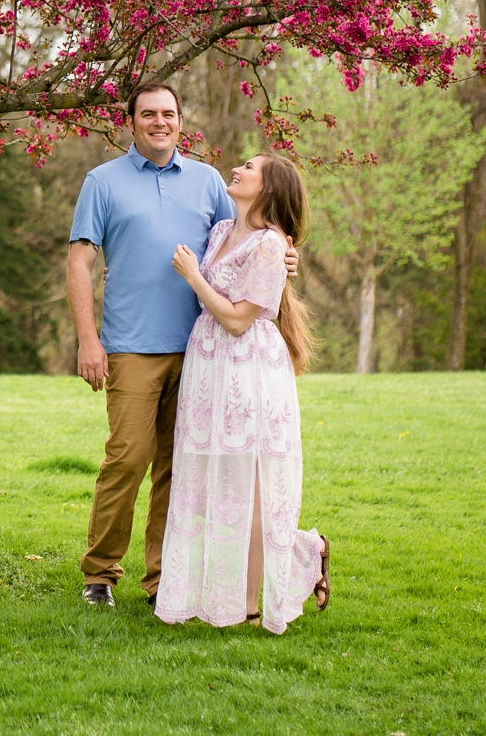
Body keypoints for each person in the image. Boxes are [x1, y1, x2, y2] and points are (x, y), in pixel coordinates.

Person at [65, 83, 296, 607]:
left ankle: (162, 580)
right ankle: (99, 573)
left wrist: (285, 258)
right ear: (132, 122)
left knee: (179, 466)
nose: (159, 122)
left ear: (180, 121)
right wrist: (87, 340)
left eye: (168, 113)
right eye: (148, 114)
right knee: (128, 457)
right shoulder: (102, 182)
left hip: (202, 352)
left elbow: (244, 238)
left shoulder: (207, 180)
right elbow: (79, 263)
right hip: (129, 345)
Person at [154, 153, 330, 634]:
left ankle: (251, 605)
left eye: (249, 167)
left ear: (269, 187)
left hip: (248, 367)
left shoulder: (271, 246)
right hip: (207, 367)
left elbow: (236, 319)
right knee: (214, 484)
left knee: (250, 488)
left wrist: (192, 277)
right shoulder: (218, 233)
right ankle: (296, 555)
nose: (238, 169)